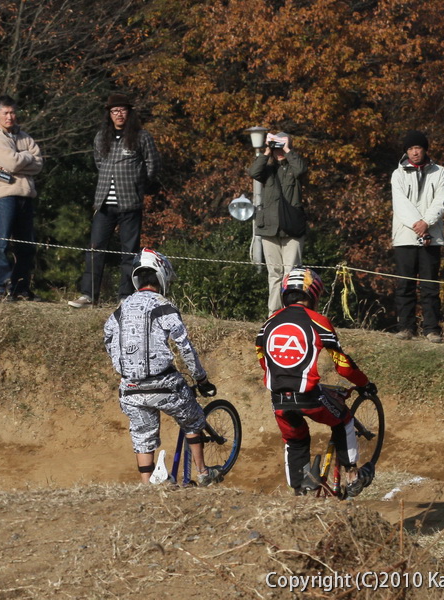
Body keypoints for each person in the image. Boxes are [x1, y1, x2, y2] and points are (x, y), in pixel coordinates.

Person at [103, 248, 223, 485]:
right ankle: (203, 473)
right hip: (165, 384)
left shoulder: (120, 309)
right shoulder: (163, 305)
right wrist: (201, 378)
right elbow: (184, 346)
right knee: (193, 419)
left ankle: (147, 485)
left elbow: (108, 338)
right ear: (162, 276)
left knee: (142, 435)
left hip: (130, 387)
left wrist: (124, 368)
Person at [255, 267, 377, 496]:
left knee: (295, 439)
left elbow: (263, 359)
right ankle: (351, 477)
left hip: (279, 399)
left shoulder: (269, 323)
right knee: (344, 420)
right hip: (309, 397)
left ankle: (299, 490)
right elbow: (342, 365)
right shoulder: (319, 322)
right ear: (314, 295)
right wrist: (363, 383)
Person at [69, 93, 161, 308]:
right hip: (103, 203)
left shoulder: (142, 136)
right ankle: (89, 295)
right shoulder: (101, 137)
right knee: (95, 249)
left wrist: (139, 184)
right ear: (109, 114)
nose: (118, 114)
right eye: (114, 111)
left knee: (128, 252)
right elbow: (99, 162)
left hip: (130, 202)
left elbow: (153, 164)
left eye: (122, 110)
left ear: (129, 113)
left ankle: (124, 296)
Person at [0, 95, 44, 302]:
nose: (10, 117)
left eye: (13, 112)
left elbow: (39, 164)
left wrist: (20, 159)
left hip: (25, 195)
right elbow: (15, 162)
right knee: (0, 243)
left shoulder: (25, 137)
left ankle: (20, 288)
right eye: (5, 113)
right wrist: (25, 157)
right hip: (3, 195)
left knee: (26, 246)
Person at [391, 130, 444, 343]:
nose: (415, 153)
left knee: (430, 286)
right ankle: (405, 327)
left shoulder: (439, 172)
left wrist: (427, 224)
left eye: (418, 148)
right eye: (411, 149)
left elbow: (440, 201)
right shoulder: (397, 174)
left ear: (425, 150)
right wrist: (419, 225)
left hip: (432, 237)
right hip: (405, 236)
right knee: (405, 284)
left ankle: (432, 330)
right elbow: (401, 204)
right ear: (406, 151)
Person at [248, 132, 307, 314]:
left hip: (292, 230)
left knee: (291, 273)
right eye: (277, 148)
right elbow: (253, 172)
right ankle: (274, 313)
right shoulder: (268, 170)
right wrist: (266, 151)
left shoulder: (294, 167)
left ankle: (292, 312)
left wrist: (288, 149)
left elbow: (301, 170)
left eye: (281, 147)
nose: (278, 151)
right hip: (269, 229)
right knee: (274, 274)